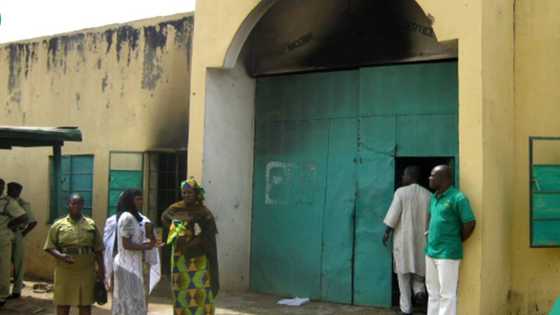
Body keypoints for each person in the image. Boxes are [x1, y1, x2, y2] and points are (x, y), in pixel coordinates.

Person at [162, 178, 219, 315]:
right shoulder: (175, 209)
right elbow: (165, 218)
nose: (186, 195)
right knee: (181, 290)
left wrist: (195, 239)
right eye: (184, 192)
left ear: (196, 194)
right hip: (179, 258)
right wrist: (175, 232)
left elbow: (210, 233)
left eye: (189, 192)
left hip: (199, 259)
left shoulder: (204, 212)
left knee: (200, 289)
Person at [425, 165, 476, 315]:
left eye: (433, 175)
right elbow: (432, 218)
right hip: (430, 252)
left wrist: (456, 240)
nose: (430, 178)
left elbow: (470, 223)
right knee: (433, 294)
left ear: (444, 179)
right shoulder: (434, 197)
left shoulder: (458, 198)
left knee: (447, 295)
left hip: (447, 254)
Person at [44, 194, 105, 315]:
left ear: (83, 205)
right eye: (74, 203)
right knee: (63, 303)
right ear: (68, 204)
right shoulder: (58, 225)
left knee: (85, 303)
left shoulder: (91, 224)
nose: (77, 206)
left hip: (86, 270)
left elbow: (98, 249)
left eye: (80, 203)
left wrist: (102, 270)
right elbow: (49, 247)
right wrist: (61, 256)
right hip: (65, 270)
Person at [383, 166, 430, 315]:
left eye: (403, 175)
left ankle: (406, 309)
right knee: (419, 275)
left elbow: (393, 216)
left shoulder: (401, 193)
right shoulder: (429, 195)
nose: (402, 178)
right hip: (422, 242)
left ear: (409, 176)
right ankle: (419, 292)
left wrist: (386, 232)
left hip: (403, 243)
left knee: (403, 277)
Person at [105, 189, 160, 315]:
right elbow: (126, 244)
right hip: (127, 266)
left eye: (141, 199)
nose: (141, 202)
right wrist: (146, 247)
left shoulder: (136, 218)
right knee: (130, 302)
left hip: (132, 264)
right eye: (137, 199)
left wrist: (149, 243)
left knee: (130, 302)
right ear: (129, 200)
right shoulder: (127, 218)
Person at [0, 179, 28, 308]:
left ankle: (2, 296)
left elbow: (24, 217)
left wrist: (10, 226)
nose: (1, 189)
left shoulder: (7, 202)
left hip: (3, 239)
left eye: (1, 187)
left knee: (4, 268)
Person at [8, 182, 37, 299]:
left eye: (15, 190)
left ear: (19, 191)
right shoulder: (4, 201)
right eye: (10, 189)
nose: (11, 192)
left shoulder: (22, 203)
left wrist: (22, 234)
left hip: (16, 234)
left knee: (18, 263)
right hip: (4, 234)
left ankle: (16, 290)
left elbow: (33, 222)